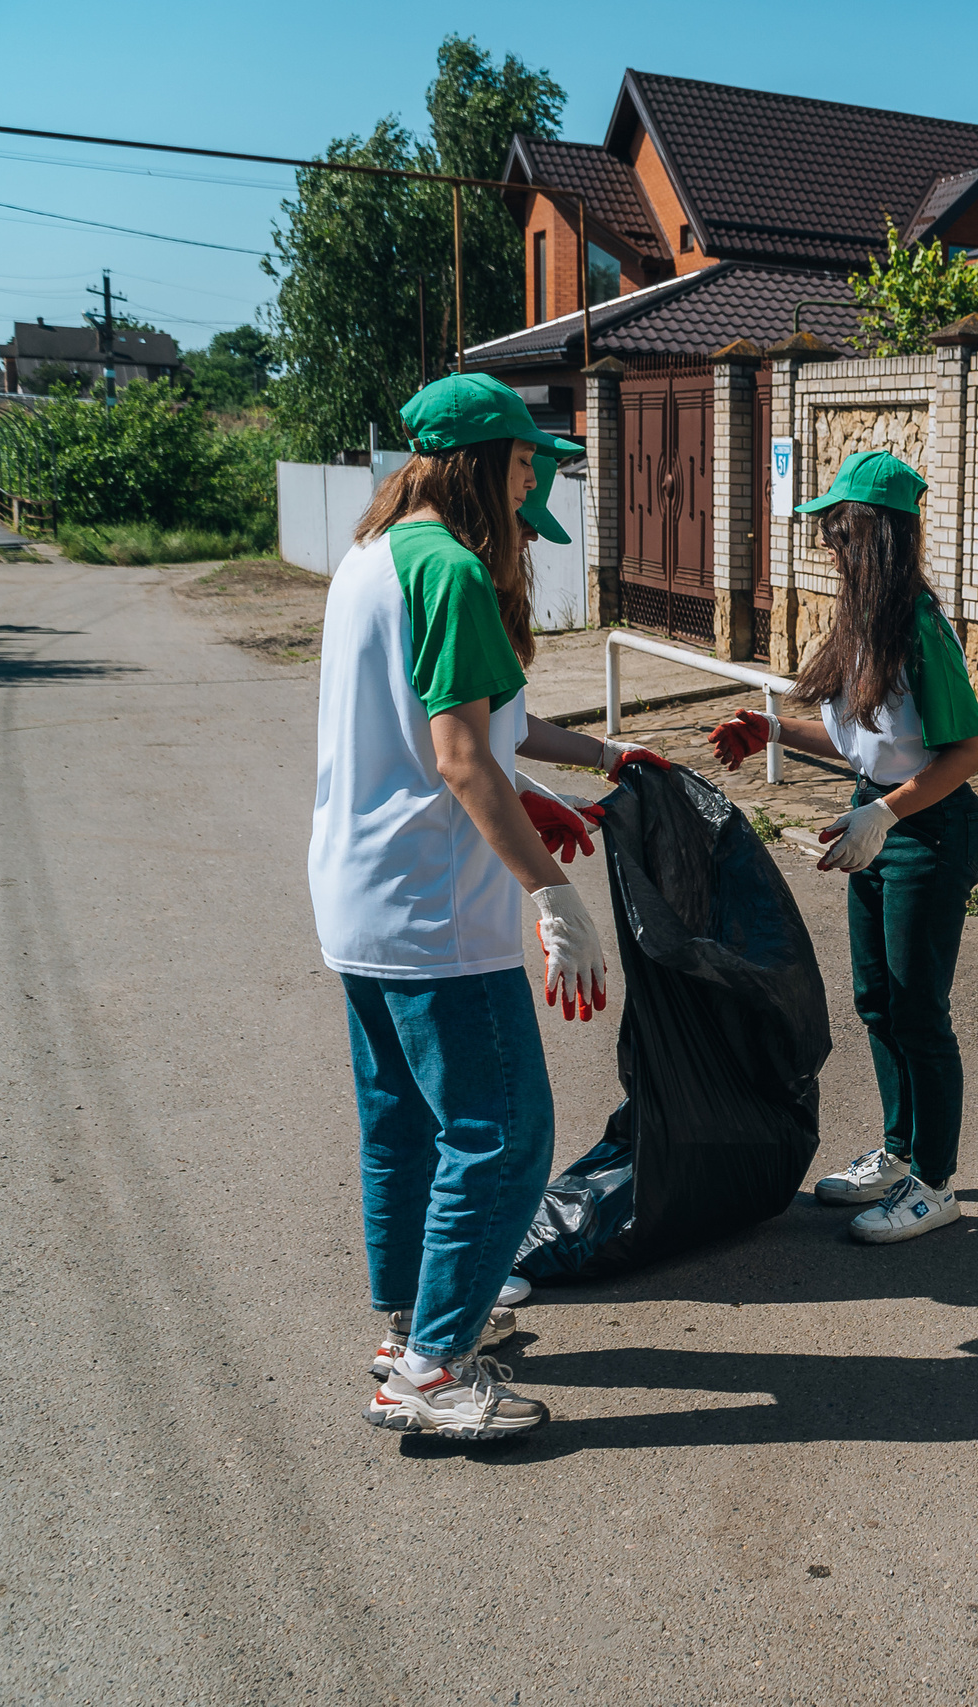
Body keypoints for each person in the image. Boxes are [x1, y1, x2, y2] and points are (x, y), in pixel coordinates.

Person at [310, 373, 668, 1441]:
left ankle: (410, 1325)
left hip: (356, 896)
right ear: (481, 463)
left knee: (402, 1129)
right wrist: (553, 897)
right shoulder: (456, 571)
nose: (528, 493)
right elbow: (465, 758)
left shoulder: (371, 559)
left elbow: (475, 728)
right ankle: (428, 1372)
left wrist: (599, 757)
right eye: (522, 468)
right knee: (503, 1131)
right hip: (433, 911)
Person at [705, 450, 978, 1244]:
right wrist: (770, 729)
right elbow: (865, 744)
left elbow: (967, 752)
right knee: (876, 999)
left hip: (928, 830)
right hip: (880, 821)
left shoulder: (921, 630)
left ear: (876, 537)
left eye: (839, 532)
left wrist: (886, 816)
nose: (829, 546)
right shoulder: (863, 626)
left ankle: (934, 1181)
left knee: (918, 1009)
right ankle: (898, 1150)